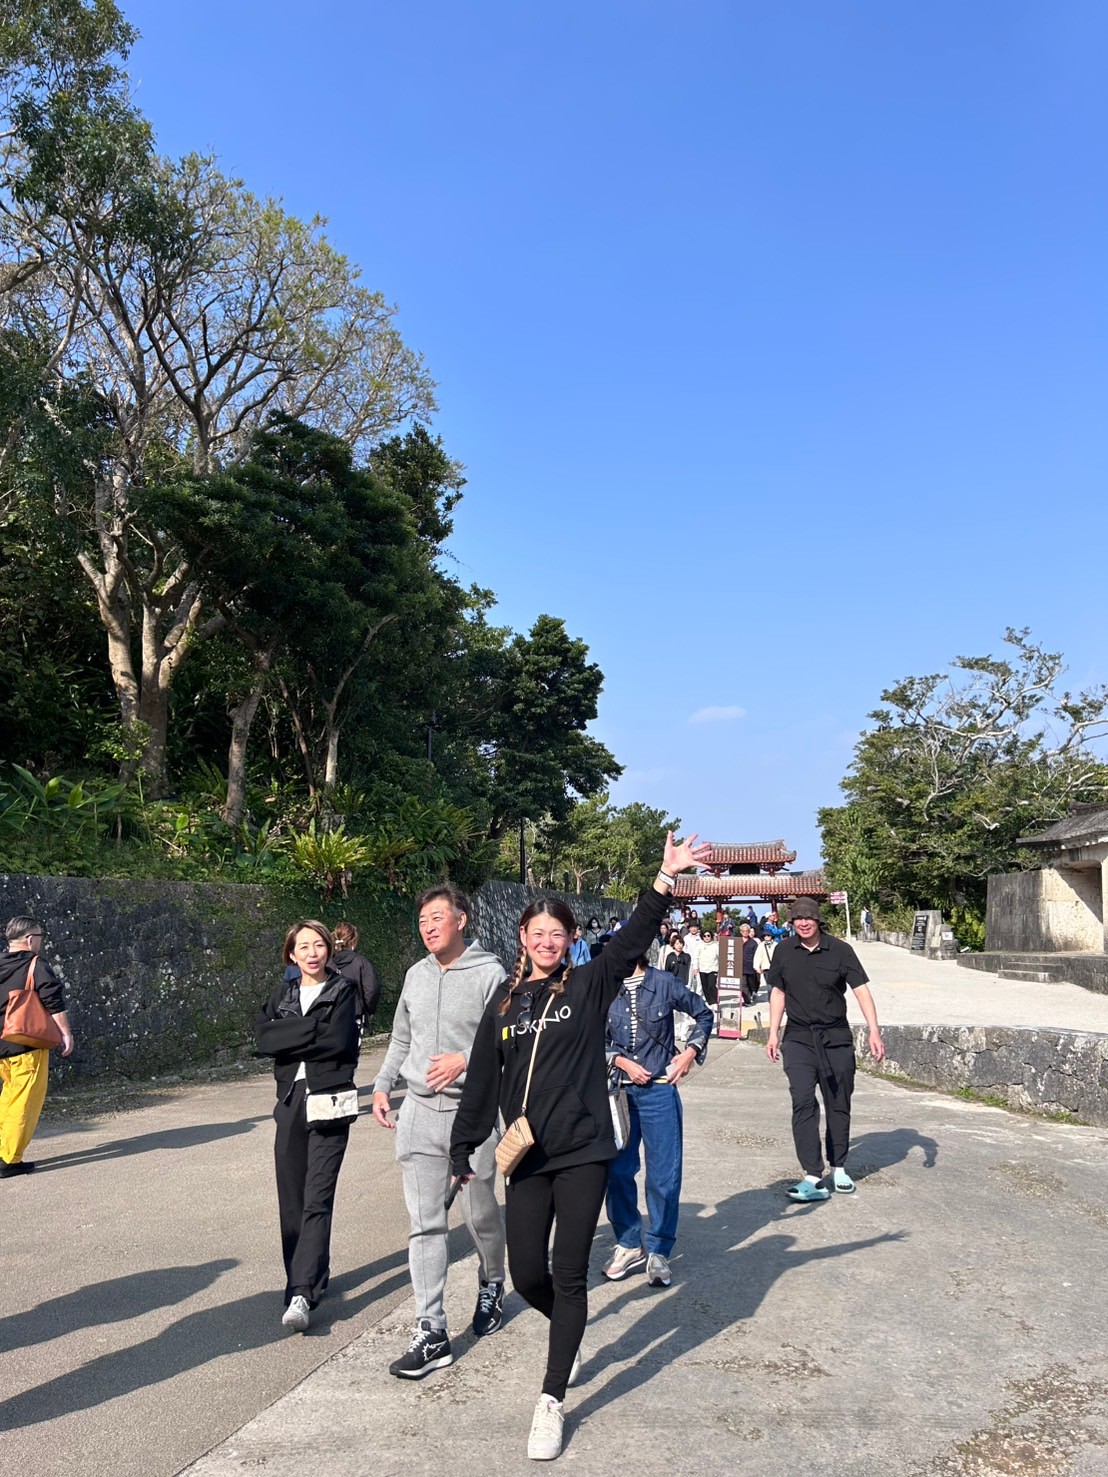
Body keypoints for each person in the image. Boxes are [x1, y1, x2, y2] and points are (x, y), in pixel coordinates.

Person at [450, 832, 711, 1462]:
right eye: (538, 933)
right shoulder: (505, 1004)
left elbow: (630, 941)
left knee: (568, 1272)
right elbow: (483, 1078)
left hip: (584, 1150)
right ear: (522, 938)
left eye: (558, 933)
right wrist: (462, 1148)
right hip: (527, 1156)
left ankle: (551, 1398)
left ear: (570, 940)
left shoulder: (588, 985)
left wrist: (665, 879)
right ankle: (569, 1327)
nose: (547, 941)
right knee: (527, 1274)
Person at [372, 884, 508, 1377]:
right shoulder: (416, 975)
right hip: (419, 1113)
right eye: (423, 920)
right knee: (425, 1223)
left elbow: (506, 1040)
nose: (428, 927)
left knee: (479, 1214)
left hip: (472, 1115)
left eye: (437, 918)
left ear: (461, 920)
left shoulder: (490, 974)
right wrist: (383, 1084)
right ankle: (431, 1330)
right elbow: (400, 1038)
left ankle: (492, 1280)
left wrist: (464, 1060)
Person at [255, 919, 360, 1333]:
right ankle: (309, 1275)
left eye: (319, 944)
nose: (312, 952)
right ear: (291, 954)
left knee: (317, 1196)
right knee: (292, 1199)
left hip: (330, 1097)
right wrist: (309, 1031)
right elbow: (264, 1038)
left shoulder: (343, 989)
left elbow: (339, 1042)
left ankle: (301, 1292)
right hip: (290, 1100)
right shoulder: (283, 994)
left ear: (329, 950)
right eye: (304, 946)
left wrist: (291, 1036)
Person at [765, 897, 886, 1202]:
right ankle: (812, 1175)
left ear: (818, 920)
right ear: (792, 923)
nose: (803, 923)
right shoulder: (784, 950)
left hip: (836, 1038)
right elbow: (778, 992)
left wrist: (873, 1030)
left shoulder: (840, 950)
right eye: (797, 919)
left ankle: (839, 1167)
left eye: (809, 918)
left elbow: (861, 991)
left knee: (838, 1101)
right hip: (799, 1038)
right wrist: (773, 1033)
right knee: (803, 1100)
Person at [604, 953, 713, 1288]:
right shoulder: (606, 985)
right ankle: (628, 1243)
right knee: (617, 1171)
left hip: (660, 1092)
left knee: (664, 1174)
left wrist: (690, 1052)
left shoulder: (664, 983)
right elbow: (592, 1036)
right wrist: (620, 1061)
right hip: (620, 1093)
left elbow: (704, 1014)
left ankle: (659, 1249)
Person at [0, 916, 74, 1176]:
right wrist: (66, 1034)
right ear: (30, 939)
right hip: (26, 1043)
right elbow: (53, 1001)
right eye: (40, 937)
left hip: (2, 1045)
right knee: (24, 1103)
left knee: (9, 1098)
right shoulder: (35, 964)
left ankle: (3, 1149)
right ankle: (8, 1160)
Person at [331, 921, 382, 1029]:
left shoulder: (326, 962)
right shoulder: (361, 962)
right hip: (354, 1014)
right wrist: (369, 1010)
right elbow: (371, 989)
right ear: (353, 941)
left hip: (329, 1015)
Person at [697, 928, 719, 1010]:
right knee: (705, 986)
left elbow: (720, 956)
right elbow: (696, 957)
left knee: (711, 985)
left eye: (708, 935)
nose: (706, 937)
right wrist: (696, 967)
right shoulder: (699, 946)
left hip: (713, 968)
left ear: (711, 936)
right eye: (704, 936)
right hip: (702, 968)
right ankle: (709, 1002)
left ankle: (715, 1002)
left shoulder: (716, 945)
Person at [740, 923, 759, 1004]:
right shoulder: (737, 941)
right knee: (743, 984)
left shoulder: (753, 943)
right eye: (743, 931)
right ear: (741, 932)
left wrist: (757, 966)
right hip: (740, 966)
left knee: (751, 984)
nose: (745, 932)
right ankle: (747, 1001)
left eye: (746, 931)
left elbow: (757, 955)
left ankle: (752, 994)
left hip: (750, 966)